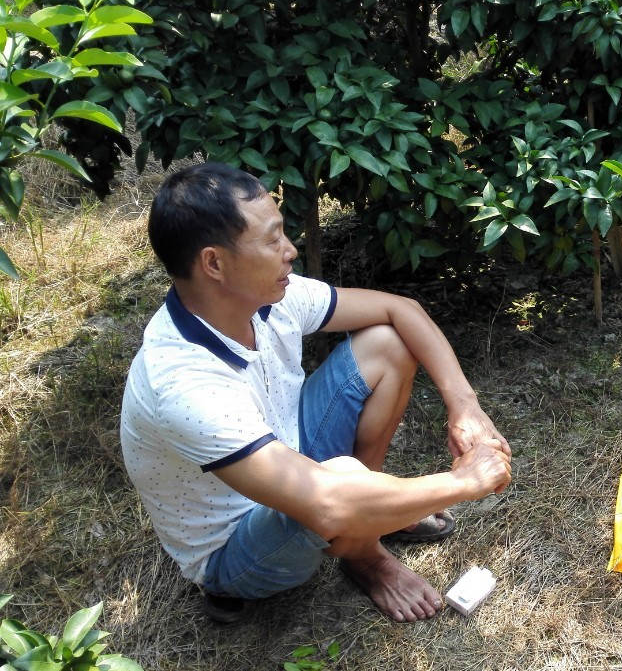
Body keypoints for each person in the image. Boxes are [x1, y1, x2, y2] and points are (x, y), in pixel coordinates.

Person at [120, 162, 512, 624]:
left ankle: (374, 513)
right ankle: (366, 554)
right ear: (214, 264)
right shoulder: (183, 383)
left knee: (387, 344)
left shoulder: (265, 299)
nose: (290, 251)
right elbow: (328, 503)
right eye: (272, 240)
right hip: (236, 548)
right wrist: (461, 483)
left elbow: (400, 309)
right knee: (341, 484)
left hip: (289, 454)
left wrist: (464, 405)